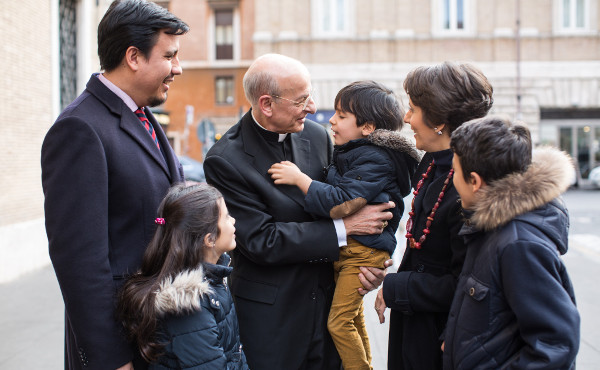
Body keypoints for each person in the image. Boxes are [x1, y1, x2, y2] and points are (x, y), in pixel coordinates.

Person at [203, 54, 394, 370]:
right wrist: (345, 229)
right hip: (273, 322)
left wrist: (367, 267)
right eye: (301, 100)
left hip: (327, 310)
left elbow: (350, 199)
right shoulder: (225, 159)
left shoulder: (317, 136)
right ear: (267, 104)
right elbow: (262, 241)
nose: (312, 107)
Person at [41, 1, 188, 369]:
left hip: (159, 337)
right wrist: (112, 359)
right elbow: (80, 263)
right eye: (169, 56)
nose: (178, 68)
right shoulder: (79, 129)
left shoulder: (144, 117)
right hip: (123, 347)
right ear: (134, 56)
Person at [268, 80, 419, 370]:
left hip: (362, 253)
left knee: (338, 323)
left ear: (368, 127)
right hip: (353, 251)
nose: (331, 120)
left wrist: (301, 180)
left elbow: (342, 202)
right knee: (351, 317)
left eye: (341, 115)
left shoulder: (374, 158)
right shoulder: (354, 151)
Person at [374, 61, 494, 369]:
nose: (406, 117)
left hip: (440, 337)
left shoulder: (467, 185)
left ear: (439, 119)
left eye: (413, 109)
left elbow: (466, 283)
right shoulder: (432, 163)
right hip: (418, 325)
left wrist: (395, 287)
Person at [443, 116, 580, 369]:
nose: (452, 180)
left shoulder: (518, 244)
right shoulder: (491, 227)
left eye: (454, 171)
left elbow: (555, 344)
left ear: (475, 181)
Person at [118, 183, 249, 369]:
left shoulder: (213, 279)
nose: (233, 220)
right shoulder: (188, 305)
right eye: (226, 216)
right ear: (209, 239)